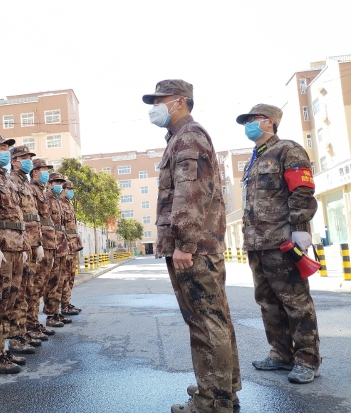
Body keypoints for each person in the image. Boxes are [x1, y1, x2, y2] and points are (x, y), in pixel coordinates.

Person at [143, 79, 241, 413]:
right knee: (214, 319)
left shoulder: (188, 136)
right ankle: (222, 388)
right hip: (199, 244)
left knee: (205, 322)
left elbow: (190, 193)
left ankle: (213, 400)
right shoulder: (180, 137)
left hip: (194, 247)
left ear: (181, 101)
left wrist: (184, 243)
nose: (155, 107)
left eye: (161, 100)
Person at [236, 104, 321, 384]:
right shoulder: (254, 159)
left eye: (253, 120)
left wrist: (299, 228)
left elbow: (302, 190)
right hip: (257, 243)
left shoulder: (288, 150)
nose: (248, 125)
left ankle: (308, 360)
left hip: (282, 241)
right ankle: (281, 354)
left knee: (295, 302)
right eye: (246, 121)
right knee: (268, 302)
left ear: (270, 121)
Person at [0, 134, 32, 374]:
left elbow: (17, 217)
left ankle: (1, 351)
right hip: (3, 246)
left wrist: (25, 245)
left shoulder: (6, 179)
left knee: (10, 300)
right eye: (1, 148)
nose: (6, 152)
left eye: (7, 148)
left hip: (16, 246)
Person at [9, 145, 50, 343]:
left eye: (29, 158)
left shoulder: (25, 185)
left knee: (32, 287)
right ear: (14, 161)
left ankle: (28, 326)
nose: (27, 161)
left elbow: (36, 219)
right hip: (21, 242)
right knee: (21, 291)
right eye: (23, 158)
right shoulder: (12, 182)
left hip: (32, 242)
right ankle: (18, 332)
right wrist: (24, 244)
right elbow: (16, 217)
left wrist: (38, 242)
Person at [27, 159, 58, 334]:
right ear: (35, 172)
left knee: (41, 284)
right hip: (39, 242)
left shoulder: (42, 191)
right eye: (44, 170)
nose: (46, 173)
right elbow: (33, 219)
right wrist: (37, 242)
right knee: (34, 285)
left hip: (48, 241)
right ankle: (30, 324)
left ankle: (34, 322)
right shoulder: (32, 189)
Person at [42, 172, 72, 326]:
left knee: (60, 280)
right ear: (49, 184)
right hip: (51, 244)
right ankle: (50, 315)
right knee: (52, 281)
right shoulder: (46, 199)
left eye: (60, 183)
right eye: (56, 183)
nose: (59, 186)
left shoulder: (57, 201)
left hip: (61, 244)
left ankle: (56, 312)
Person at [59, 180, 84, 316]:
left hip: (73, 244)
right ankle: (63, 306)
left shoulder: (68, 204)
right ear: (63, 190)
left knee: (71, 275)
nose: (71, 192)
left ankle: (67, 303)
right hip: (66, 244)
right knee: (64, 276)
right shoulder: (59, 204)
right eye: (69, 189)